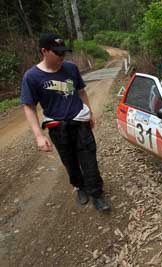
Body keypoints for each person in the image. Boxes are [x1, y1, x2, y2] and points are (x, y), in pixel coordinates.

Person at [20, 33, 110, 211]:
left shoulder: (70, 68)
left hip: (79, 122)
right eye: (58, 53)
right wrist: (38, 136)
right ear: (44, 51)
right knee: (70, 161)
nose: (62, 56)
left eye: (64, 53)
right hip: (58, 126)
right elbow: (29, 106)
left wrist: (89, 113)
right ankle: (80, 186)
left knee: (89, 158)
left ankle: (97, 193)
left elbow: (81, 91)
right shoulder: (32, 77)